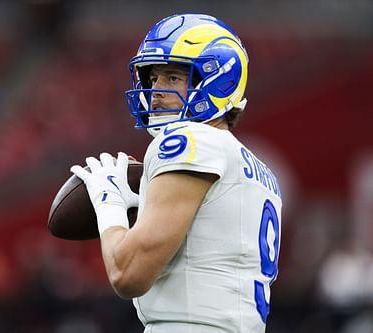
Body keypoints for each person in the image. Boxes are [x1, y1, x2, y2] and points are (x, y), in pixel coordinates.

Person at [70, 13, 282, 333]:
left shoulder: (189, 140)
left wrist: (108, 202)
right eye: (154, 78)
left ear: (218, 79)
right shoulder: (258, 169)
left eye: (172, 77)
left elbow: (128, 274)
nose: (155, 90)